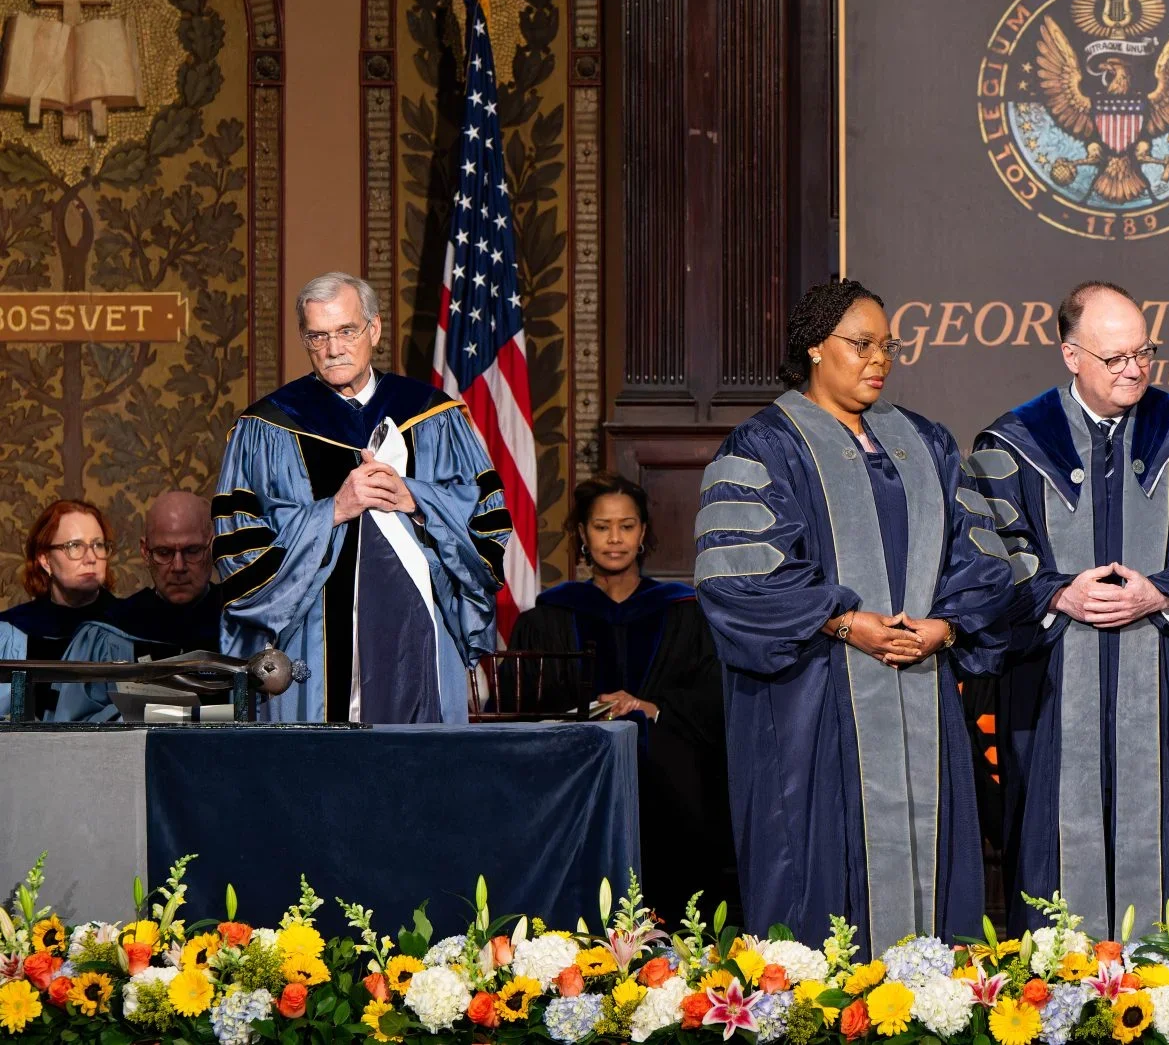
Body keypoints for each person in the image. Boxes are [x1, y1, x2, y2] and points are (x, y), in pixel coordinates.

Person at [693, 277, 1012, 953]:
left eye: (888, 346)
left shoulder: (925, 441)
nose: (880, 360)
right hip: (813, 708)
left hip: (921, 698)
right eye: (861, 344)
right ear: (814, 347)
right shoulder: (761, 447)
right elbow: (740, 581)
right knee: (818, 883)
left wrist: (944, 626)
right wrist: (846, 623)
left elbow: (981, 560)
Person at [969, 281, 1169, 936]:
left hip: (1156, 698)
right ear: (1071, 355)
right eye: (1115, 357)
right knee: (1052, 863)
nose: (1134, 368)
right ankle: (1053, 1007)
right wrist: (1054, 590)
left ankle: (1167, 1009)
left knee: (1160, 866)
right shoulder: (1013, 443)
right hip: (1047, 701)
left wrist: (1162, 592)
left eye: (1144, 352)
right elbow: (983, 566)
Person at [210, 271, 512, 723]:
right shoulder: (265, 428)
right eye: (318, 336)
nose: (333, 349)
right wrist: (332, 511)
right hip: (309, 645)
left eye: (346, 331)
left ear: (373, 329)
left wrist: (416, 499)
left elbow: (486, 525)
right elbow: (239, 555)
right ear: (304, 340)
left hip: (418, 635)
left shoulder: (433, 415)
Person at [511, 475, 737, 912]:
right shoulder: (550, 617)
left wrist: (654, 708)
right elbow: (522, 711)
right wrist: (589, 712)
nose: (614, 539)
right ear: (582, 534)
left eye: (627, 525)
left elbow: (717, 698)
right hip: (574, 793)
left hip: (671, 798)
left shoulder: (685, 613)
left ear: (643, 533)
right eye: (601, 526)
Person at [56, 490, 224, 723]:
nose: (178, 566)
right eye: (163, 553)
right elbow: (73, 727)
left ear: (212, 546)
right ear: (145, 552)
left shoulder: (239, 624)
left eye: (192, 550)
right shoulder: (110, 632)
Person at [0, 499, 116, 720]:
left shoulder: (127, 628)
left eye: (98, 545)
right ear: (45, 559)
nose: (91, 558)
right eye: (74, 546)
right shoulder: (11, 632)